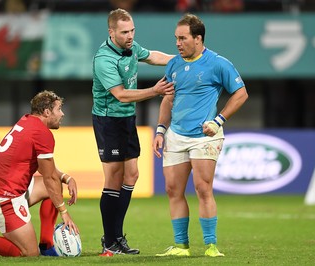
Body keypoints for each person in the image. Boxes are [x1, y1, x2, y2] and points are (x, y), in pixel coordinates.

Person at [153, 14, 248, 257]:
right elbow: (168, 98)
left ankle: (211, 246)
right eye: (176, 38)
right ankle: (181, 246)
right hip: (176, 135)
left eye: (182, 38)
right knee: (173, 190)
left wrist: (218, 121)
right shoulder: (174, 64)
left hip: (205, 136)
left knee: (202, 188)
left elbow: (241, 94)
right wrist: (161, 130)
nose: (177, 43)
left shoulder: (218, 63)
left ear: (198, 38)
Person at [0, 90, 79, 257]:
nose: (62, 114)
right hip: (3, 198)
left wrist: (67, 178)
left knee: (53, 188)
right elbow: (49, 177)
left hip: (10, 189)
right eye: (59, 109)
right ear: (47, 112)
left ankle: (47, 246)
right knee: (28, 252)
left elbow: (47, 170)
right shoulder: (42, 133)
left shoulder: (28, 121)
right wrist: (64, 213)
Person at [92, 8, 175, 256]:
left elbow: (152, 56)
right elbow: (121, 94)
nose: (130, 36)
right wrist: (155, 91)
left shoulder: (131, 47)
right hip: (109, 121)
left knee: (132, 175)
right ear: (111, 32)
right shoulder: (104, 59)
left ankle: (116, 237)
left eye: (132, 31)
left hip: (127, 120)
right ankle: (110, 241)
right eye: (124, 32)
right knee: (114, 179)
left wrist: (181, 59)